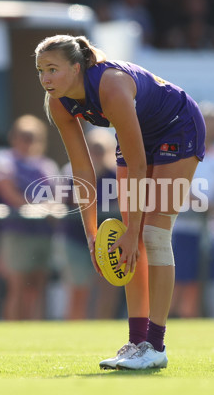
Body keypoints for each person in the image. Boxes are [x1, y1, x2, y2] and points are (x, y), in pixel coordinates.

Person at [34, 34, 206, 369]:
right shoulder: (57, 103)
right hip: (138, 136)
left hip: (179, 127)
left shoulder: (110, 86)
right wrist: (91, 233)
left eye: (53, 69)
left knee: (152, 235)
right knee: (130, 240)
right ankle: (136, 342)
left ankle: (155, 347)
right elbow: (83, 171)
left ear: (75, 66)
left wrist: (133, 230)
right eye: (41, 71)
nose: (46, 79)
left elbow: (139, 164)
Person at [170, 101, 214, 318]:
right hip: (182, 229)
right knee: (175, 286)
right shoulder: (183, 151)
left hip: (209, 231)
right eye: (208, 123)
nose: (213, 129)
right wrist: (204, 204)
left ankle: (188, 338)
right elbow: (178, 184)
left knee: (197, 288)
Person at [0, 114, 59, 321]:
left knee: (39, 287)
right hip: (16, 232)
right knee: (17, 286)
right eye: (24, 136)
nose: (28, 141)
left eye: (33, 136)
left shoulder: (47, 166)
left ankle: (36, 336)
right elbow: (9, 194)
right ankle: (12, 335)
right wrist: (39, 207)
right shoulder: (3, 161)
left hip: (43, 234)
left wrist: (49, 207)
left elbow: (57, 198)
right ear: (14, 137)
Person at [58, 128, 121, 320]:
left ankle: (104, 334)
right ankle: (74, 337)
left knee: (109, 290)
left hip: (109, 241)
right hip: (77, 240)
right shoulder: (72, 173)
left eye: (100, 149)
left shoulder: (116, 175)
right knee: (78, 291)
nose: (96, 153)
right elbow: (63, 203)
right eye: (92, 149)